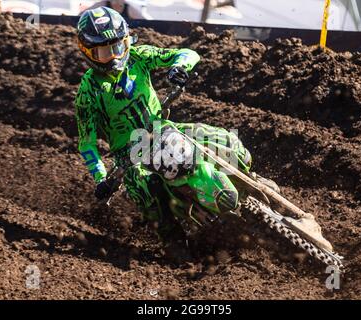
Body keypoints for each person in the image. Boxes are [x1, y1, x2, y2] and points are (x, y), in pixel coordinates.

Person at [75, 6, 266, 240]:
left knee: (229, 143)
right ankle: (173, 241)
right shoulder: (88, 91)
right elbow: (87, 143)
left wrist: (179, 67)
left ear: (127, 41)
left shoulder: (138, 56)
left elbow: (188, 54)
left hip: (163, 130)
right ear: (87, 52)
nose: (114, 56)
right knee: (145, 187)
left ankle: (252, 184)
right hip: (131, 153)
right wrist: (101, 177)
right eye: (104, 53)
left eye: (118, 47)